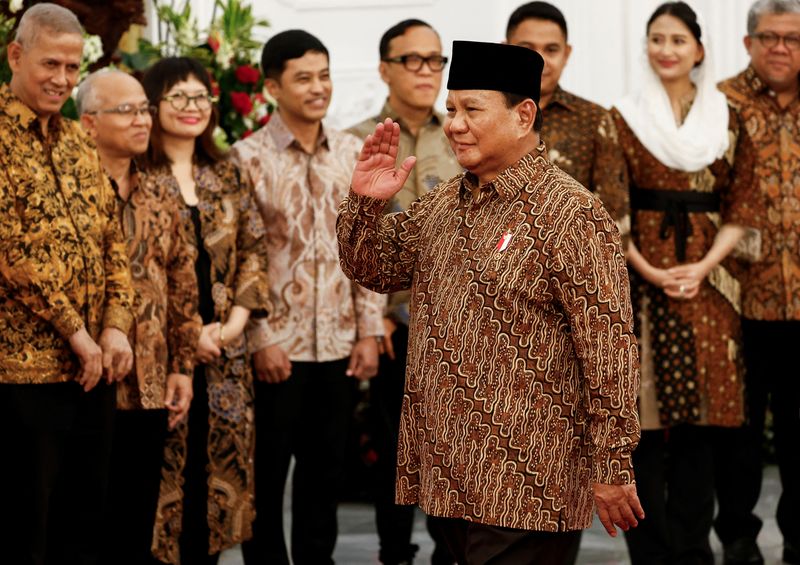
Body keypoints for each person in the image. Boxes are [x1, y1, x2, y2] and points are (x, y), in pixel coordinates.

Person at [337, 40, 643, 565]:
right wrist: (365, 202)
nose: (454, 123)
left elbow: (609, 351)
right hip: (448, 474)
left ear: (524, 116)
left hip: (528, 480)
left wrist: (612, 464)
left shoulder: (572, 213)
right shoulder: (443, 200)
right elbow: (374, 268)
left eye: (471, 109)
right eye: (451, 109)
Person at [231, 30, 386, 565]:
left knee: (326, 478)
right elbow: (239, 259)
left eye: (324, 75)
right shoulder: (245, 159)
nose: (318, 88)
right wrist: (261, 337)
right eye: (303, 78)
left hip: (340, 345)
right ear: (273, 87)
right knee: (266, 478)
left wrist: (369, 330)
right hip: (276, 349)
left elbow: (367, 247)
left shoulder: (351, 153)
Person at [609, 3, 757, 564]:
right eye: (655, 39)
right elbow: (611, 205)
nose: (665, 49)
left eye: (677, 39)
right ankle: (650, 552)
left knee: (700, 426)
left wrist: (701, 267)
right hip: (640, 281)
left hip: (710, 282)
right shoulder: (621, 116)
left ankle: (694, 550)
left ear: (699, 48)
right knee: (644, 426)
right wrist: (649, 269)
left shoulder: (727, 115)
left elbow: (743, 204)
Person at [0, 4, 135, 564]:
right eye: (49, 63)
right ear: (15, 55)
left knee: (82, 522)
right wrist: (78, 332)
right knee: (21, 523)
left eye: (71, 66)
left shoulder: (80, 142)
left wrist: (116, 327)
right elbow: (12, 250)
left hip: (92, 369)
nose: (61, 78)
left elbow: (112, 240)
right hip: (20, 371)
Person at [140, 56, 270, 565]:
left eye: (201, 97)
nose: (192, 107)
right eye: (178, 97)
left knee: (215, 486)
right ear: (152, 106)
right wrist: (187, 334)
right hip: (158, 356)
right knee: (160, 484)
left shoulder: (226, 170)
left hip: (226, 358)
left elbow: (254, 250)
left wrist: (234, 325)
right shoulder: (139, 172)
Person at [347, 18, 461, 565]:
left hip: (458, 330)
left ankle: (452, 552)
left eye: (436, 60)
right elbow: (349, 236)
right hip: (395, 331)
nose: (427, 71)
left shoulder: (462, 136)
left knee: (453, 452)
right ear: (384, 68)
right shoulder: (361, 141)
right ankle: (395, 553)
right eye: (413, 60)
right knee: (394, 452)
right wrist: (378, 316)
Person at [77, 69, 202, 565]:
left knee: (136, 520)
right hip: (85, 378)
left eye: (143, 109)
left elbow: (183, 285)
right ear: (88, 124)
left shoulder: (161, 191)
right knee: (85, 518)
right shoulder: (73, 190)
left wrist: (183, 367)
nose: (141, 119)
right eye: (125, 110)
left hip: (150, 380)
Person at [715, 1, 800, 564]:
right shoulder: (718, 101)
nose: (780, 48)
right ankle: (739, 537)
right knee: (738, 435)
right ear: (748, 44)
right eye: (768, 37)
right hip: (739, 295)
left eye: (793, 39)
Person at [505, 1, 628, 227]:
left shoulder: (594, 120)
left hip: (574, 256)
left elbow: (614, 215)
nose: (539, 60)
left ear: (566, 53)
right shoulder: (484, 117)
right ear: (505, 49)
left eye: (551, 49)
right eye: (527, 49)